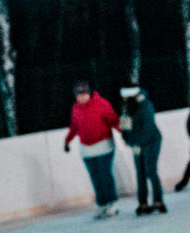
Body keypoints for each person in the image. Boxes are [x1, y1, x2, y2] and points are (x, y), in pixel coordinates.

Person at [64, 80, 121, 219]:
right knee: (95, 178)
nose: (81, 97)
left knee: (105, 175)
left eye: (84, 94)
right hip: (87, 150)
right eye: (78, 95)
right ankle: (102, 204)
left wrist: (125, 133)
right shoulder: (76, 109)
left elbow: (114, 120)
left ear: (89, 93)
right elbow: (74, 127)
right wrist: (67, 140)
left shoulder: (102, 104)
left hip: (104, 146)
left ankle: (112, 203)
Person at [119, 85, 167, 215]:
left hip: (151, 142)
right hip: (137, 144)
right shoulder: (126, 107)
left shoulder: (145, 105)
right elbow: (125, 126)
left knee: (150, 170)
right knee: (140, 172)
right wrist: (128, 140)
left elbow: (147, 127)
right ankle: (143, 202)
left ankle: (158, 200)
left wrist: (136, 142)